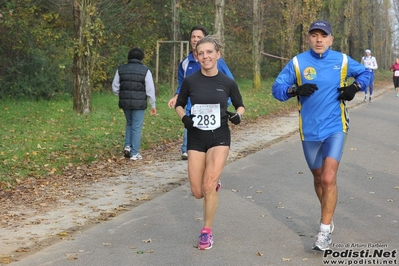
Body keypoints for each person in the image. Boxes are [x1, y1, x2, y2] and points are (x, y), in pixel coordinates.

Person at [272, 20, 370, 251]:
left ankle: (324, 231)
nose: (319, 40)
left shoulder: (342, 60)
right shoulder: (297, 62)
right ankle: (328, 213)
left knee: (328, 178)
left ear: (331, 39)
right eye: (314, 35)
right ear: (308, 38)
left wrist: (354, 88)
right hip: (309, 131)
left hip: (336, 127)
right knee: (319, 179)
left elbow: (366, 73)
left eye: (323, 36)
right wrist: (294, 90)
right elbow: (277, 88)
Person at [175, 36, 245, 250]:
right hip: (196, 137)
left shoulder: (227, 82)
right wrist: (184, 118)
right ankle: (213, 185)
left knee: (207, 186)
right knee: (198, 192)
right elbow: (179, 105)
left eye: (209, 52)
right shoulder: (190, 81)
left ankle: (206, 232)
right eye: (201, 53)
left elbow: (240, 105)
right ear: (197, 56)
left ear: (217, 55)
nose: (205, 56)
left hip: (219, 137)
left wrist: (238, 116)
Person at [168, 25, 234, 160]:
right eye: (193, 37)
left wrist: (224, 103)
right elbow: (182, 83)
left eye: (199, 37)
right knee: (192, 132)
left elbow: (229, 83)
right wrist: (176, 96)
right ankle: (187, 150)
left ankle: (212, 169)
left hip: (212, 107)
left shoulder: (216, 61)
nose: (195, 39)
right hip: (191, 105)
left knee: (211, 145)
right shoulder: (185, 63)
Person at [112, 47, 157, 160]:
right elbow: (150, 89)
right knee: (136, 126)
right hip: (139, 103)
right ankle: (135, 153)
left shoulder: (120, 69)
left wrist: (122, 95)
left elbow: (115, 87)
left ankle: (128, 146)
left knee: (129, 123)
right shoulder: (145, 70)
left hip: (125, 102)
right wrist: (153, 104)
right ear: (142, 58)